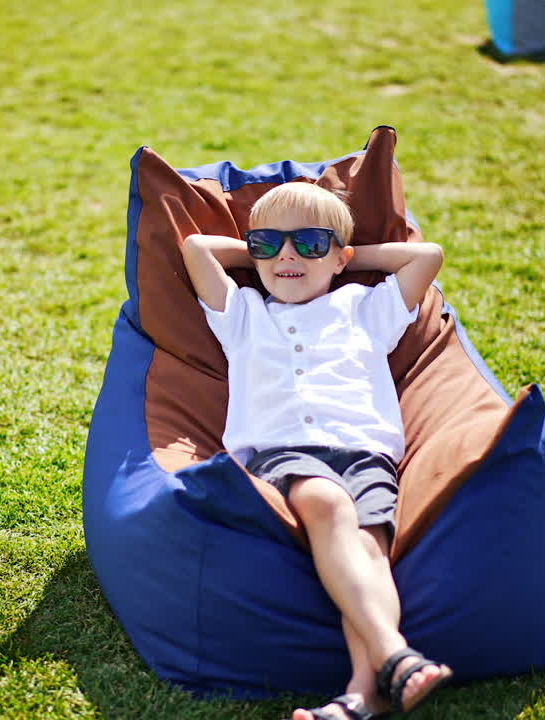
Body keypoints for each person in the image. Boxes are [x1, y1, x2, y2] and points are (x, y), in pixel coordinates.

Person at [180, 182, 451, 720]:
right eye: (268, 243)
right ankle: (395, 654)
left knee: (369, 552)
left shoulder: (365, 307)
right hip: (281, 450)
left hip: (364, 449)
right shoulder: (243, 313)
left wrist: (349, 256)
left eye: (307, 243)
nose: (286, 255)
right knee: (327, 504)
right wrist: (279, 249)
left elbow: (428, 256)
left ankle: (360, 696)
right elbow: (195, 249)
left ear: (340, 258)